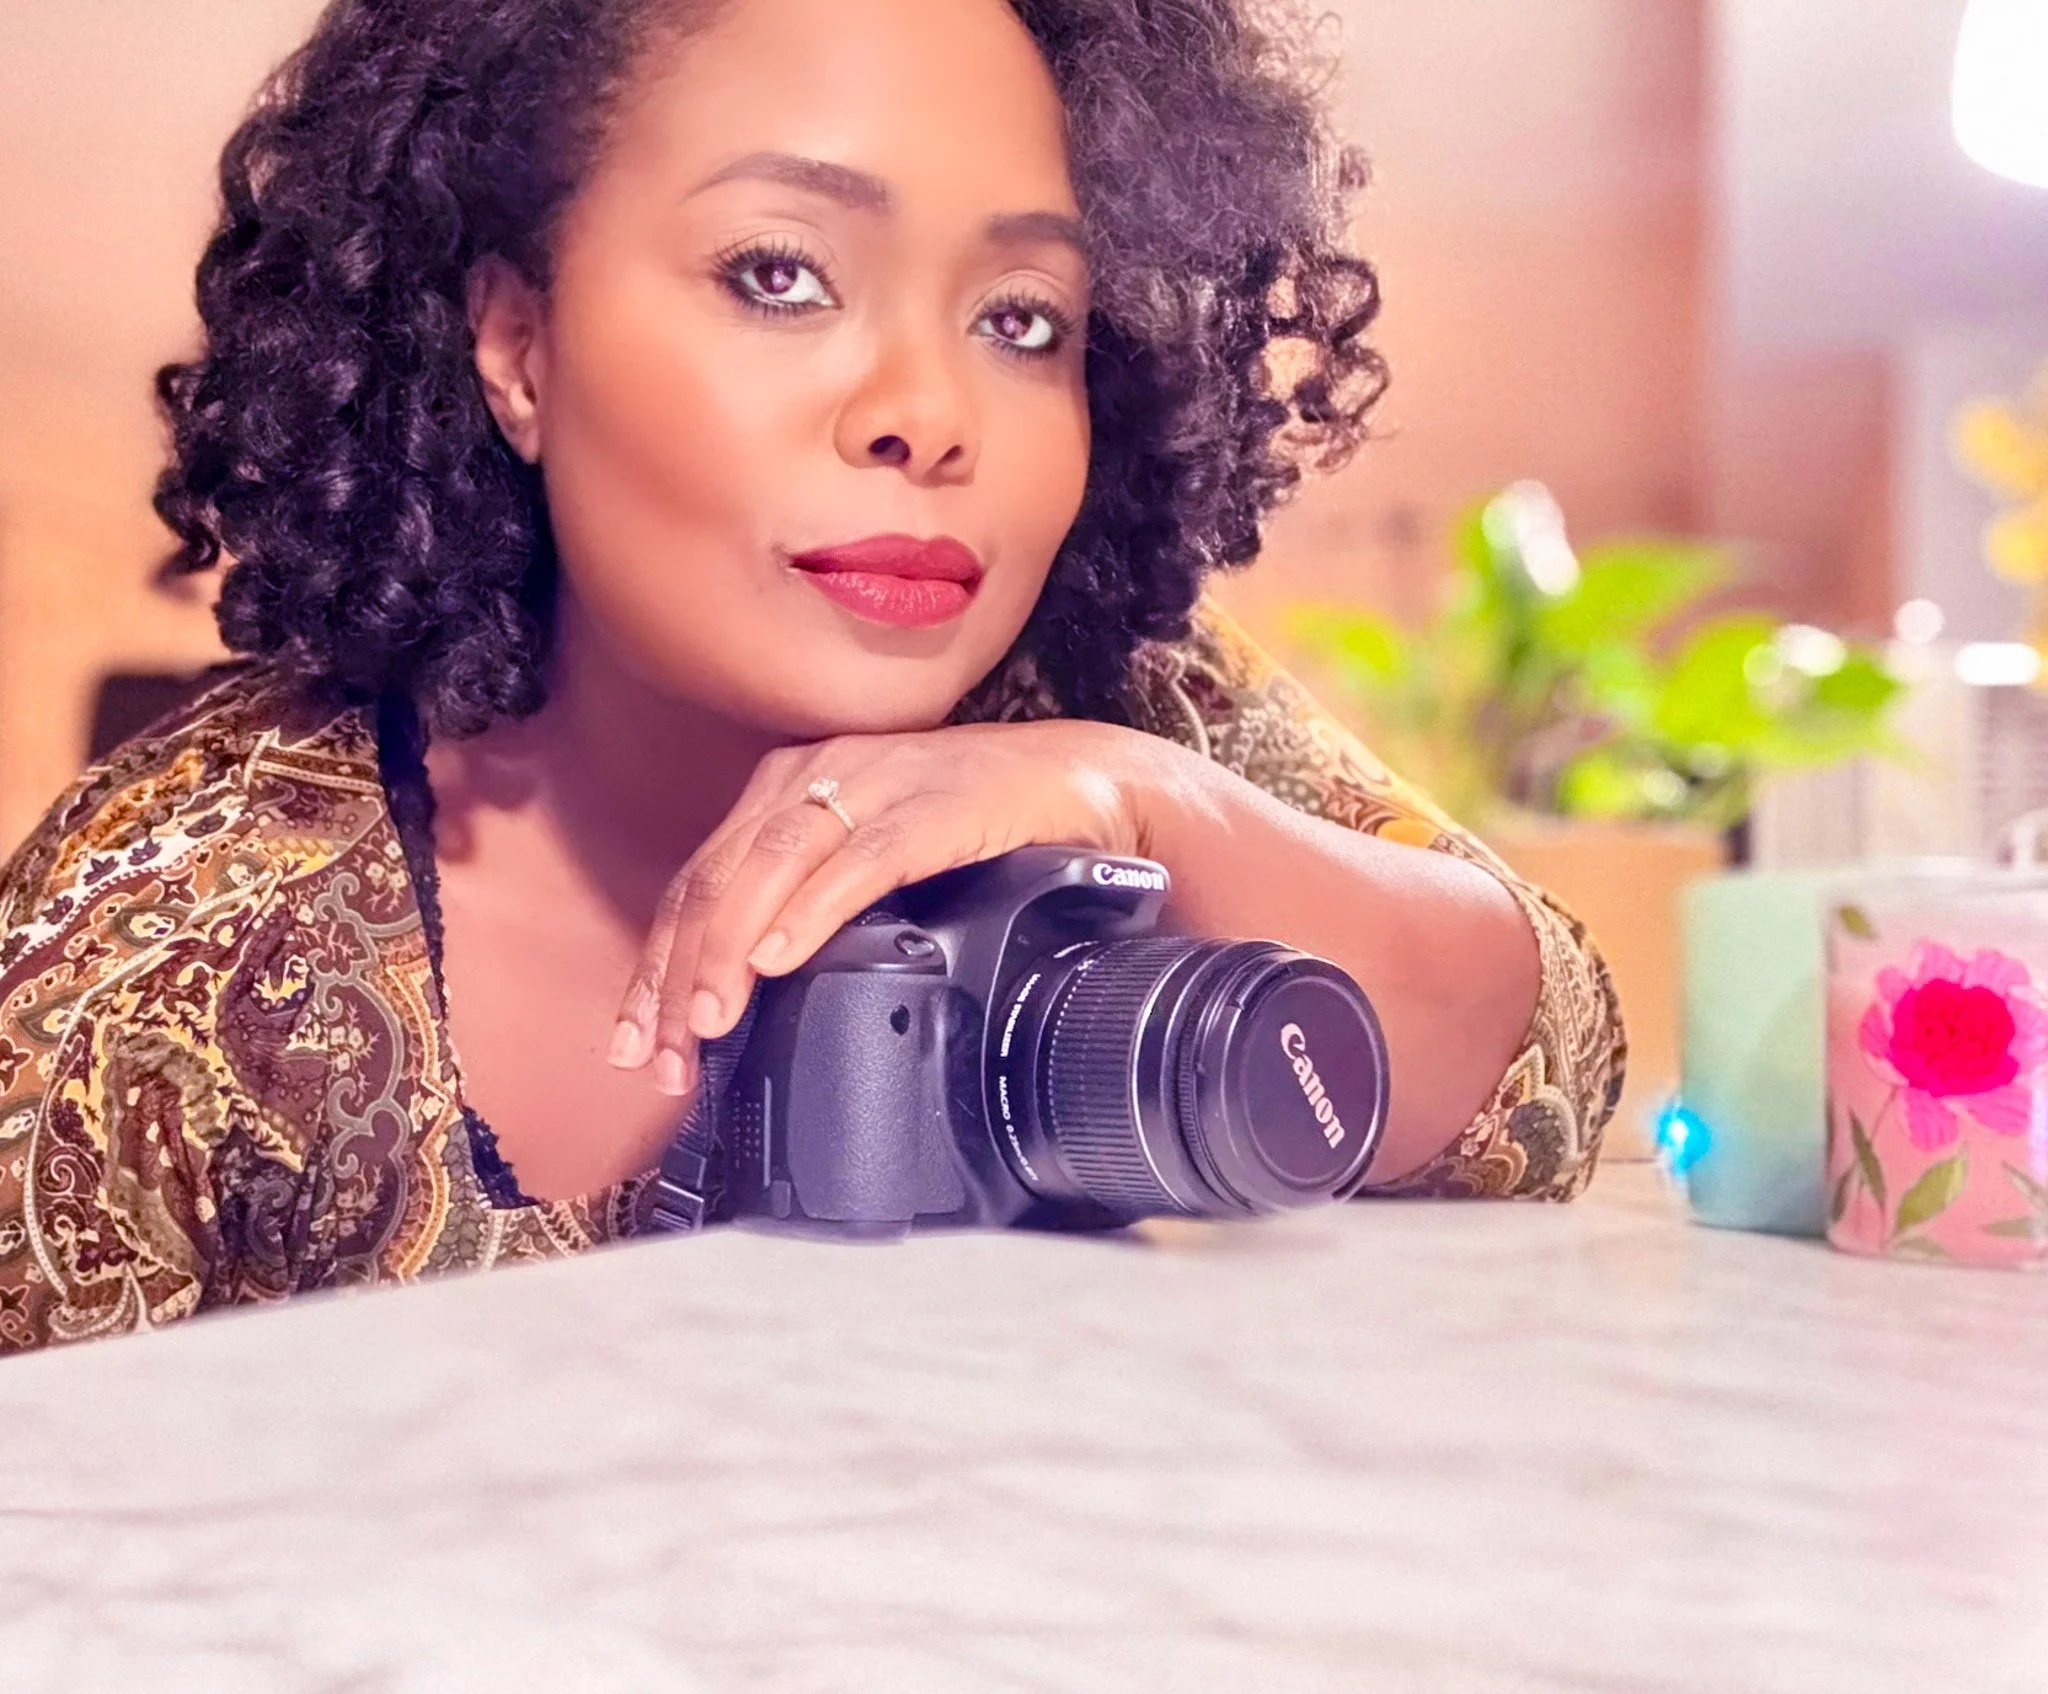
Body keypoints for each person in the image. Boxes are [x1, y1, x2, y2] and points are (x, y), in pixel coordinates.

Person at [0, 0, 1625, 1355]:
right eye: (780, 273)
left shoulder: (1109, 705)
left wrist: (1139, 800)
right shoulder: (170, 941)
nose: (928, 412)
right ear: (516, 344)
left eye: (1022, 318)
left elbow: (1547, 1070)